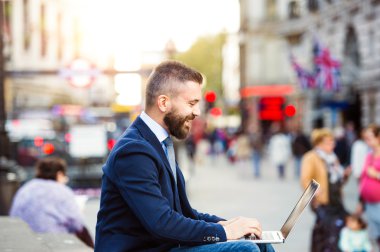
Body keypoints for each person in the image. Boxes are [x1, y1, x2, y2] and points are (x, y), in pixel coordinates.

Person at [95, 61, 275, 252]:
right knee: (245, 250)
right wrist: (225, 233)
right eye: (191, 103)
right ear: (163, 103)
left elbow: (183, 213)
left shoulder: (158, 143)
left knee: (259, 244)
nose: (197, 112)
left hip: (165, 247)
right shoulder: (133, 151)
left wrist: (227, 225)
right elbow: (162, 222)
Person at [9, 157, 94, 248]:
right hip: (52, 242)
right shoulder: (62, 190)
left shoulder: (25, 188)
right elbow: (77, 224)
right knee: (83, 231)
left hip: (22, 242)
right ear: (59, 174)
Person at [301, 128, 351, 252]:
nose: (332, 145)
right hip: (322, 202)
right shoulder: (311, 157)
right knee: (325, 233)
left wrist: (345, 175)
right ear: (319, 144)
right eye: (328, 142)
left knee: (336, 232)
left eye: (332, 142)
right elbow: (305, 179)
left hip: (336, 201)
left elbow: (338, 182)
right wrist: (315, 191)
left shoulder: (333, 158)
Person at [357, 125, 380, 251]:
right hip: (369, 203)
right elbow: (363, 178)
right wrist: (360, 201)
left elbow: (372, 174)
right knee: (374, 237)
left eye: (370, 138)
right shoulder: (369, 155)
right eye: (365, 138)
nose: (367, 141)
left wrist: (376, 174)